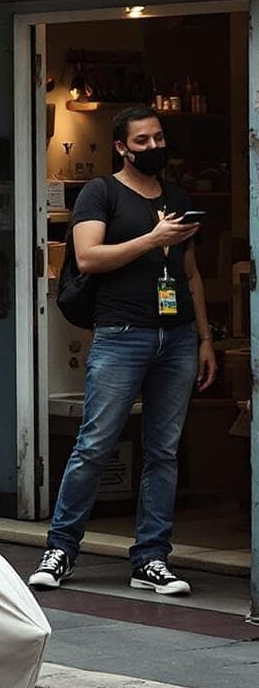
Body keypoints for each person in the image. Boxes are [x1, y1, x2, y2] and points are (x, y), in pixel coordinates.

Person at [32, 106, 216, 598]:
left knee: (164, 451)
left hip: (175, 337)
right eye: (143, 141)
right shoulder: (102, 192)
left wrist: (205, 339)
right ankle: (60, 548)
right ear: (121, 147)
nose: (154, 147)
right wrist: (152, 238)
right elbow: (89, 256)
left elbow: (191, 273)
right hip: (121, 333)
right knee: (95, 443)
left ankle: (152, 557)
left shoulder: (177, 197)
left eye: (159, 138)